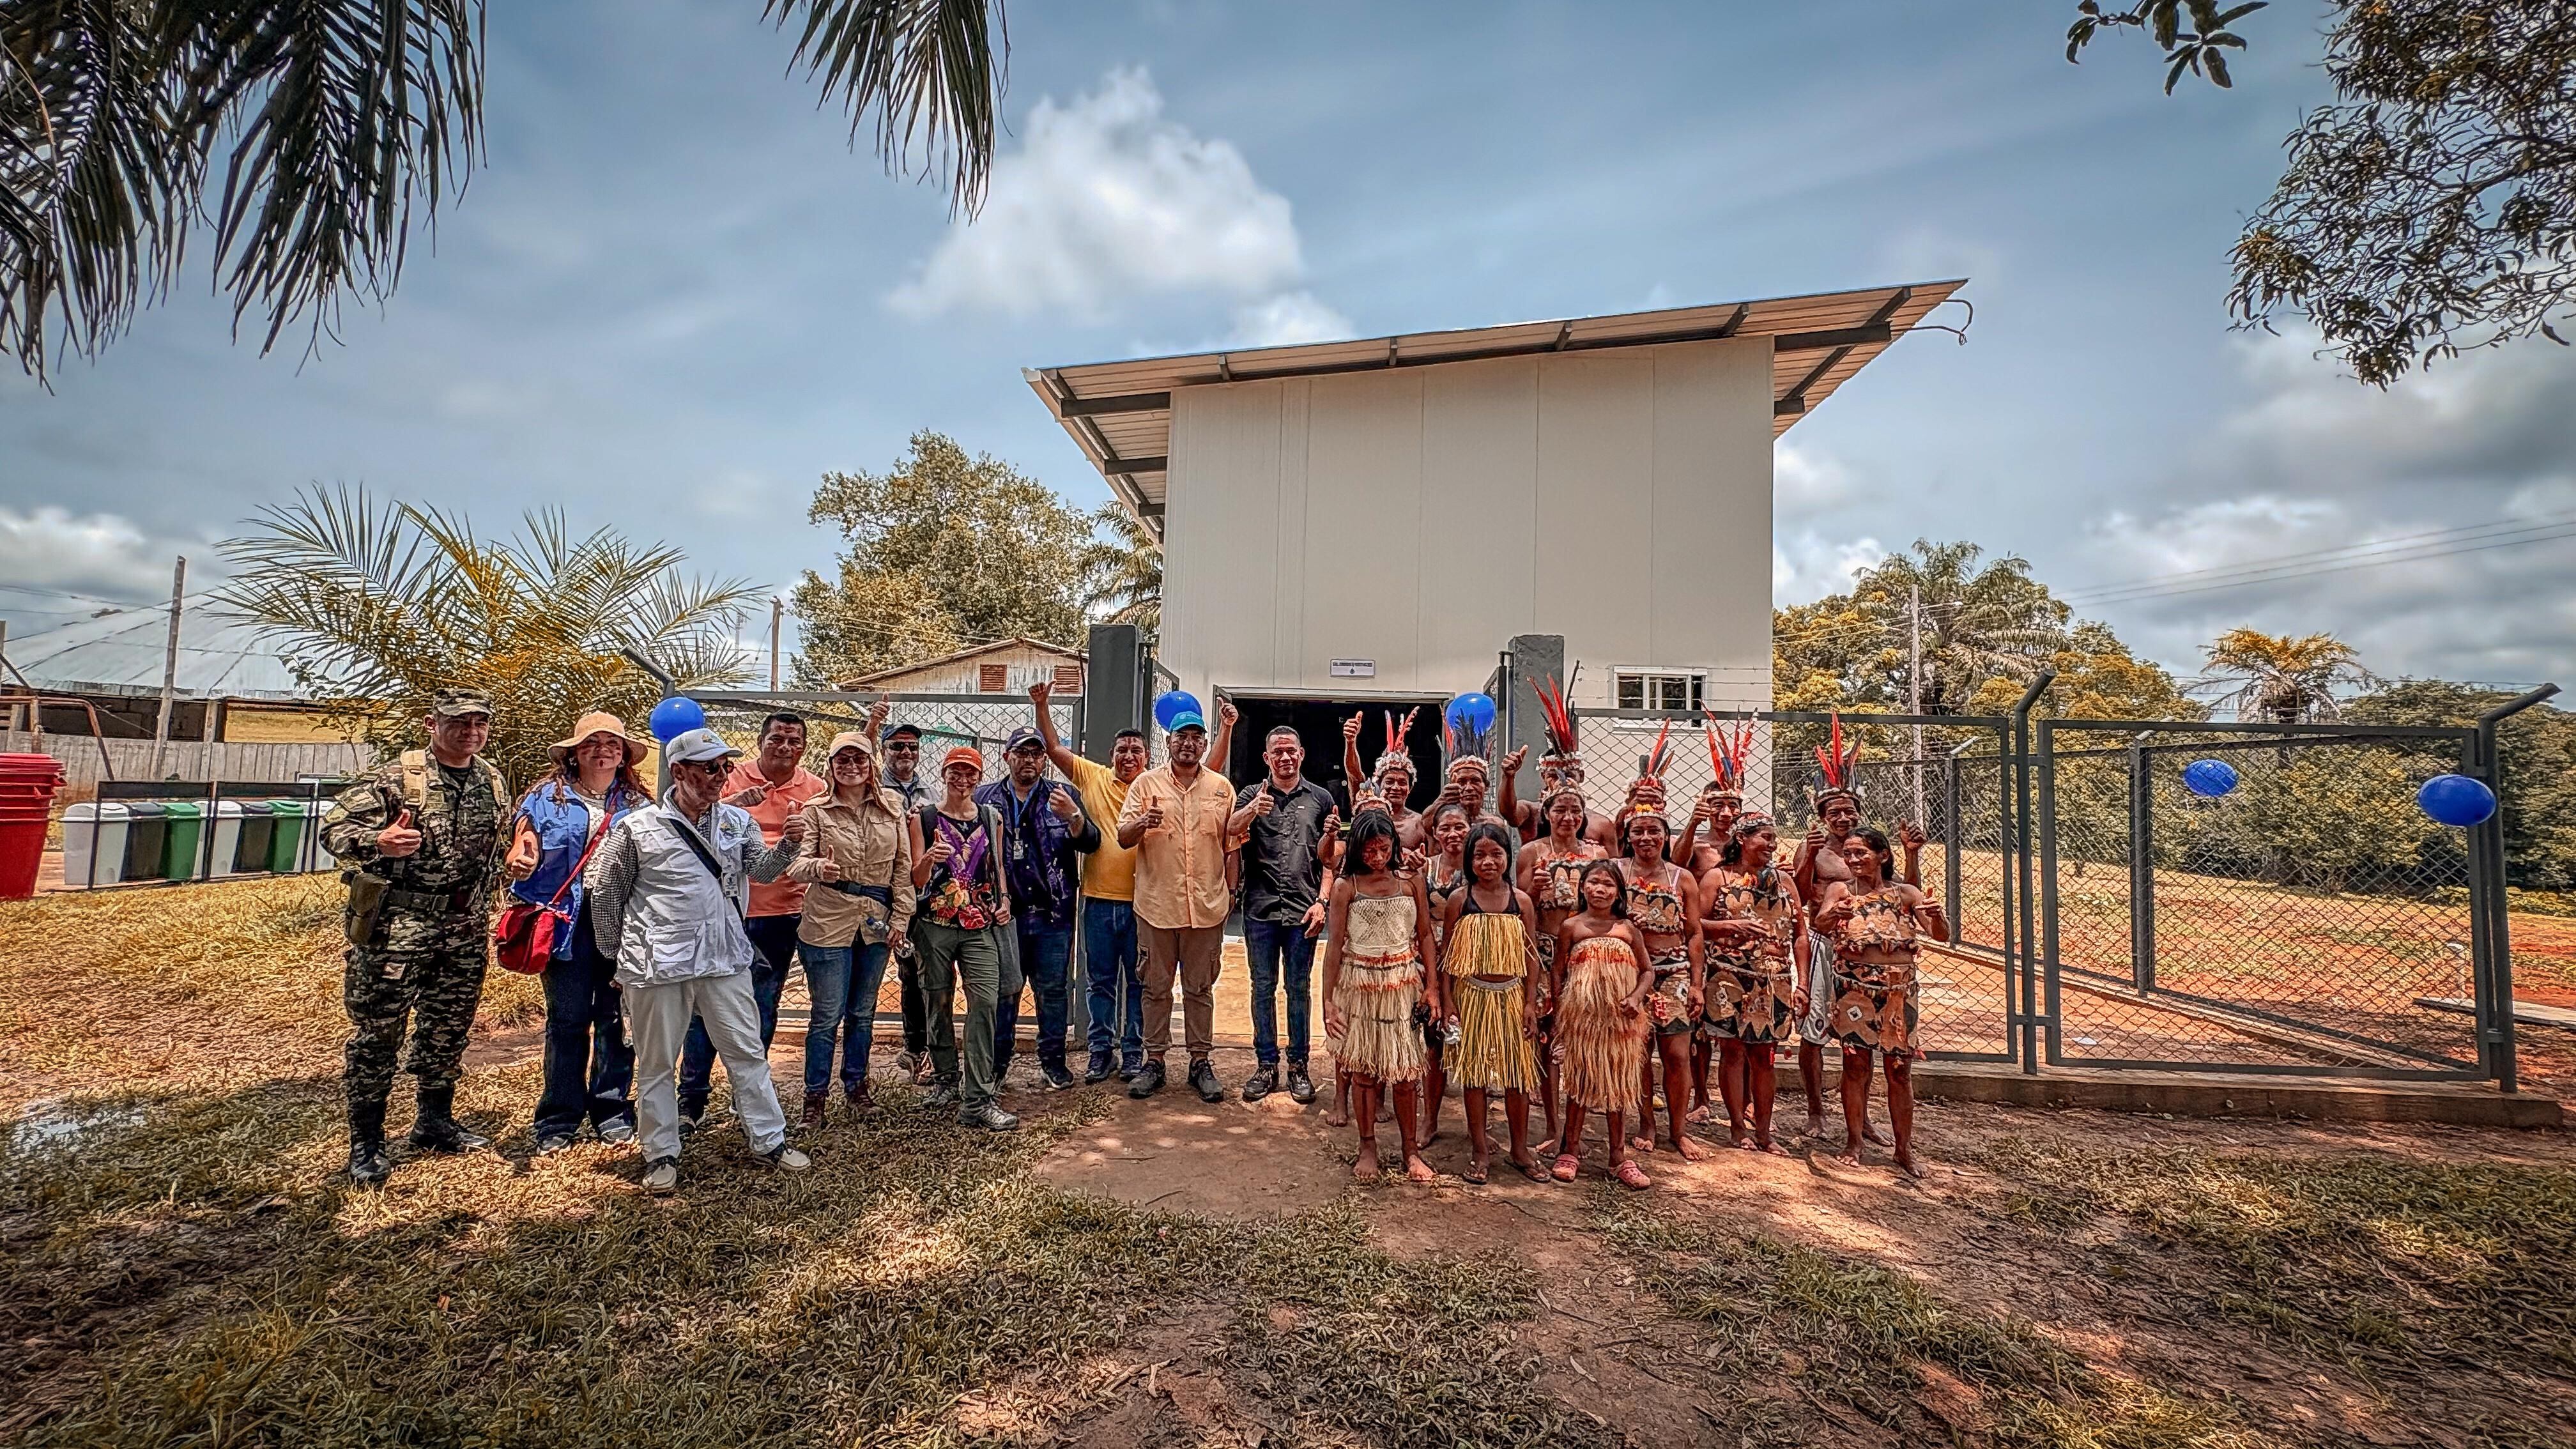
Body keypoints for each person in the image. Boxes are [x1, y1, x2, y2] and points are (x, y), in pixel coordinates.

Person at [583, 727, 810, 1193]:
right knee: (657, 1062)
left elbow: (761, 871)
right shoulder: (637, 828)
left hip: (724, 959)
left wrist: (787, 845)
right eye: (710, 768)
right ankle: (661, 1151)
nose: (720, 776)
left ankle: (769, 1139)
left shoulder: (735, 822)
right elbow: (605, 894)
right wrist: (614, 959)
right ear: (679, 772)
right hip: (657, 964)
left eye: (725, 767)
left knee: (747, 1053)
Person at [320, 687, 512, 1188]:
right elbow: (333, 829)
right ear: (432, 724)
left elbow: (496, 845)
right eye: (459, 722)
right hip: (398, 928)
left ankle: (434, 1121)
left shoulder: (491, 780)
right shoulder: (396, 778)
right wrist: (375, 841)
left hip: (464, 926)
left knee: (447, 1028)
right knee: (378, 1034)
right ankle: (367, 1143)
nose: (471, 731)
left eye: (480, 722)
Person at [503, 710, 652, 1155]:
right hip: (564, 924)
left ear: (624, 755)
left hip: (621, 924)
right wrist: (522, 858)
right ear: (574, 752)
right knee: (567, 1022)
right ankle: (558, 1118)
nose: (603, 750)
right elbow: (522, 841)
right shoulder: (545, 798)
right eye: (592, 742)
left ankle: (611, 1111)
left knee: (615, 1021)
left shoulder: (638, 805)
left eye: (613, 743)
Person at [675, 712, 820, 1135]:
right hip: (724, 914)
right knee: (702, 1009)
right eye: (777, 738)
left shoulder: (815, 789)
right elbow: (695, 819)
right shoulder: (727, 777)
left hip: (781, 915)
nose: (786, 746)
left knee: (762, 1009)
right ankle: (692, 1101)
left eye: (795, 740)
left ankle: (747, 1096)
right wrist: (737, 805)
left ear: (804, 747)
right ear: (761, 741)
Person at [781, 730, 914, 1127]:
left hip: (876, 925)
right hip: (828, 924)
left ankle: (857, 1088)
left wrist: (902, 920)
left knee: (863, 1012)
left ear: (871, 764)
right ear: (832, 765)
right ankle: (814, 1098)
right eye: (843, 760)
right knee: (826, 1015)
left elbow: (903, 869)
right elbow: (796, 863)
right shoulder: (816, 811)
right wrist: (820, 868)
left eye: (859, 760)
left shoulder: (892, 807)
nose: (852, 767)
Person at [1115, 694, 1235, 1103]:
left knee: (1200, 989)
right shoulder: (1145, 786)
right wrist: (1142, 823)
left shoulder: (1221, 789)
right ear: (1168, 742)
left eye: (1196, 737)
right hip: (1157, 907)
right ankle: (1155, 1062)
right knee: (1155, 989)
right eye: (1181, 736)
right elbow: (1122, 837)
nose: (1189, 743)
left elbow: (1231, 845)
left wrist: (1231, 893)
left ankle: (1200, 1062)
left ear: (1205, 744)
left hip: (1207, 908)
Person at [1028, 681, 1148, 1085]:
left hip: (1143, 904)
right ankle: (1101, 1053)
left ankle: (1133, 1054)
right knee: (1099, 983)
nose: (1128, 757)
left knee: (1137, 983)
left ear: (1146, 758)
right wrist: (1043, 707)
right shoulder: (1092, 777)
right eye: (1122, 751)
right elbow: (1056, 750)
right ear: (1111, 756)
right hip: (1097, 901)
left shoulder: (1155, 786)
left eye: (1136, 751)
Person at [1813, 827, 1947, 1175]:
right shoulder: (1841, 890)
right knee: (1856, 1067)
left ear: (1883, 856)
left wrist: (1936, 914)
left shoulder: (1905, 893)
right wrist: (1834, 915)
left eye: (1862, 853)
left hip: (1899, 995)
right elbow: (1821, 923)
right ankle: (1854, 1141)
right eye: (1850, 854)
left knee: (1900, 1072)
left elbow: (1941, 935)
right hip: (1855, 992)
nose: (1854, 860)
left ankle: (1904, 1149)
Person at [976, 725, 1101, 1091]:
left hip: (1053, 914)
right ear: (1007, 756)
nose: (1028, 760)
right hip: (1002, 915)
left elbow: (1092, 844)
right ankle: (997, 1065)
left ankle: (1053, 1062)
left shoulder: (1064, 797)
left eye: (1035, 754)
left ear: (1045, 760)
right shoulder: (986, 799)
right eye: (1021, 753)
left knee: (1053, 990)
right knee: (1004, 991)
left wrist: (1074, 817)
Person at [1319, 809, 1441, 1183]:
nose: (1376, 857)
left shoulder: (1411, 881)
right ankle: (1367, 1145)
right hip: (1358, 985)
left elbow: (1424, 936)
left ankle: (1410, 1151)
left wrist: (1433, 987)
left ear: (1394, 845)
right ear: (1357, 848)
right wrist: (1328, 1002)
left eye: (1384, 849)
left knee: (1405, 1075)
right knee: (1364, 1074)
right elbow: (1335, 946)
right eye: (1369, 850)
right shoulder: (1346, 887)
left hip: (1403, 984)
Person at [909, 745, 1018, 1131]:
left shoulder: (991, 817)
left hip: (980, 923)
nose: (962, 779)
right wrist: (929, 860)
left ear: (979, 776)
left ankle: (978, 1097)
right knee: (936, 999)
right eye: (955, 772)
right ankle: (944, 1079)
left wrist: (1003, 901)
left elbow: (999, 866)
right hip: (935, 924)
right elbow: (915, 878)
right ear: (943, 774)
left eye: (970, 772)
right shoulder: (923, 818)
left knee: (986, 1002)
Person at [1229, 724, 1336, 1105]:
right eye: (1278, 752)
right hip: (1260, 910)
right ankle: (1265, 1065)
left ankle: (1299, 1067)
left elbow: (1330, 859)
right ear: (1267, 758)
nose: (1285, 758)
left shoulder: (1321, 799)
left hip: (1303, 912)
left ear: (1302, 754)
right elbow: (1230, 830)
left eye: (1291, 751)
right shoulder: (1250, 795)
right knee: (1261, 988)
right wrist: (1251, 810)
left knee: (1298, 990)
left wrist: (1323, 902)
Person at [1438, 822, 1546, 1184]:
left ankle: (1519, 1149)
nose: (1488, 862)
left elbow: (1531, 958)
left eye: (1496, 854)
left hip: (1512, 998)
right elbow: (1447, 956)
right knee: (1475, 1075)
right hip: (1472, 998)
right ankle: (1480, 1149)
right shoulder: (1459, 900)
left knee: (1517, 1076)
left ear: (1508, 857)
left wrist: (1530, 1003)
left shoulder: (1522, 902)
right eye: (1479, 855)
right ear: (1469, 859)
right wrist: (1448, 1001)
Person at [1698, 811, 1807, 1153]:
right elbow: (1695, 924)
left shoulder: (1783, 882)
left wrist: (1802, 982)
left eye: (1774, 839)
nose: (1772, 846)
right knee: (1732, 1052)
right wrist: (1730, 927)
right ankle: (1735, 1128)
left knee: (1765, 1056)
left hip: (1773, 979)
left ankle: (1764, 1131)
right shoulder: (1718, 877)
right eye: (1765, 838)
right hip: (1728, 976)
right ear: (1743, 839)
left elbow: (1800, 935)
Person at [1549, 859, 1652, 1189]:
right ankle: (1571, 1149)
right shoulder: (1572, 926)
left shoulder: (1628, 929)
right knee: (1579, 1082)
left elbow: (1648, 971)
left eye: (1608, 885)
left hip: (1621, 1020)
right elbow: (1558, 971)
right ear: (1582, 887)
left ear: (1619, 892)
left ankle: (1618, 1156)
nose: (1600, 890)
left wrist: (1636, 997)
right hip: (1582, 1019)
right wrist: (1560, 1014)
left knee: (1617, 1085)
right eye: (1593, 882)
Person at [1616, 801, 1707, 1160]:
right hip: (1629, 973)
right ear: (1627, 836)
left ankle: (1679, 1130)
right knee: (1638, 1053)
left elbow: (1695, 932)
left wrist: (1697, 983)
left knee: (1677, 1054)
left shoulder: (1681, 877)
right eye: (1638, 831)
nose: (1646, 838)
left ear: (1667, 836)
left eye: (1654, 831)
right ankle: (1646, 1122)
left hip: (1674, 973)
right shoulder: (1616, 872)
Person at [1516, 784, 1602, 1152]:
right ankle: (1554, 1128)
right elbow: (1520, 906)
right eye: (1560, 810)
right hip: (1545, 951)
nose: (1568, 818)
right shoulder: (1530, 852)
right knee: (1547, 1040)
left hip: (1586, 956)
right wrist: (1535, 889)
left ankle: (1576, 1129)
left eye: (1575, 810)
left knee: (1582, 1038)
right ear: (1546, 814)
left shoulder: (1598, 854)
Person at [878, 717, 937, 1084]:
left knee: (914, 972)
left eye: (912, 747)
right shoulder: (871, 788)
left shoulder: (927, 793)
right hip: (876, 894)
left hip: (914, 896)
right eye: (897, 746)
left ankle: (916, 1049)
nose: (906, 753)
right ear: (884, 751)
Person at [1415, 800, 1472, 1144]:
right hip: (1433, 962)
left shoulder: (1482, 865)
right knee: (1435, 1041)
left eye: (1459, 827)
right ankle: (1429, 1120)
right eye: (1445, 828)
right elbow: (1420, 922)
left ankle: (1475, 1124)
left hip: (1473, 963)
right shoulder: (1426, 870)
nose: (1453, 834)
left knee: (1473, 1043)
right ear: (1435, 834)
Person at [1340, 709, 1422, 844]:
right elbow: (1355, 775)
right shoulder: (1366, 808)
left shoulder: (1419, 823)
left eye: (1402, 782)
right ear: (1378, 783)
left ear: (1410, 788)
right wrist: (1350, 742)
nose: (1396, 787)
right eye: (1390, 781)